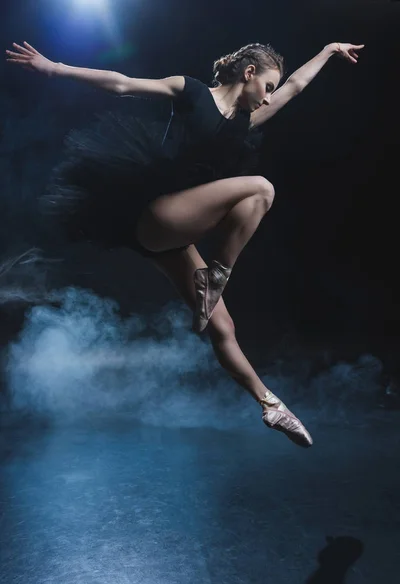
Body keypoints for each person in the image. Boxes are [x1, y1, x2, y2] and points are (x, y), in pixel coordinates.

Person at [5, 39, 364, 448]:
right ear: (248, 73)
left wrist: (329, 51)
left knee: (222, 326)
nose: (269, 99)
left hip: (171, 238)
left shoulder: (245, 120)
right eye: (267, 87)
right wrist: (54, 68)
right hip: (156, 214)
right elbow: (122, 83)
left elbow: (296, 86)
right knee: (261, 189)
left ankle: (269, 404)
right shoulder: (191, 91)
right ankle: (218, 275)